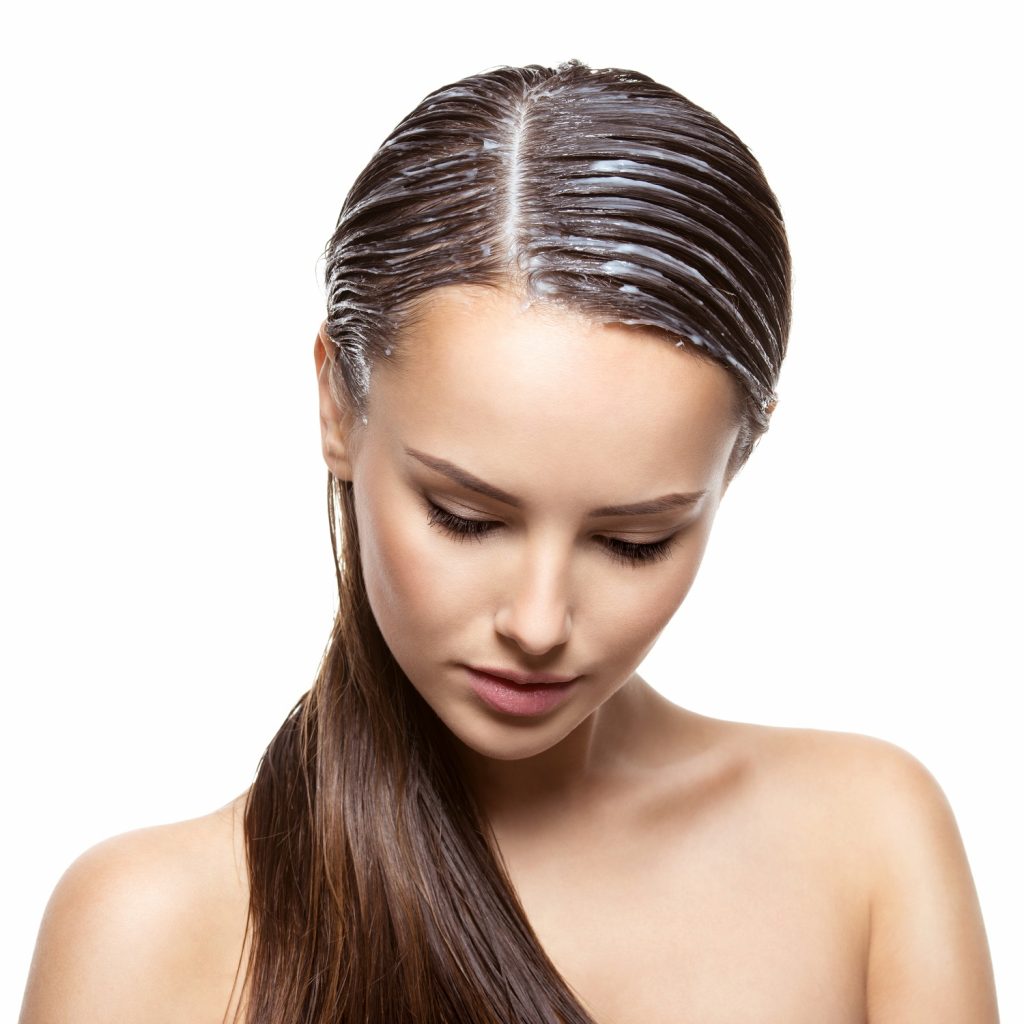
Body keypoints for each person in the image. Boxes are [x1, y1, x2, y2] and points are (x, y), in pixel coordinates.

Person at [19, 59, 998, 1024]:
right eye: (466, 517)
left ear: (731, 466)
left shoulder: (867, 846)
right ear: (337, 405)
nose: (537, 624)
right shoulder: (144, 936)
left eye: (635, 540)